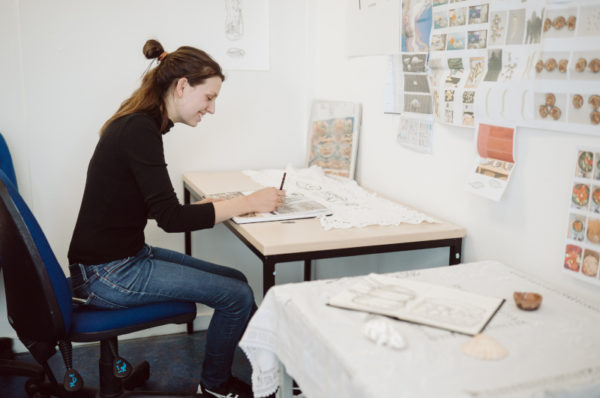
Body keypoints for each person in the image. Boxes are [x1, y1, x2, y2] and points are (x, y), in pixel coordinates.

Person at [67, 39, 284, 398]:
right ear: (182, 86)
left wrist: (213, 205)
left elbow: (149, 204)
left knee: (236, 280)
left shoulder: (142, 124)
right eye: (209, 97)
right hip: (107, 274)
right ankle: (215, 387)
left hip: (120, 259)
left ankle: (266, 368)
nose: (212, 109)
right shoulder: (140, 129)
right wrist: (247, 202)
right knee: (235, 295)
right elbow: (170, 218)